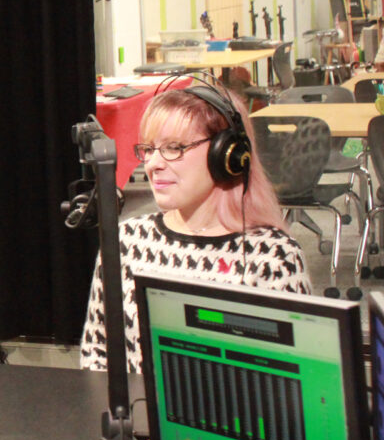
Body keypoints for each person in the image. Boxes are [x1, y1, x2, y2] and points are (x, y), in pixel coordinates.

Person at [80, 82, 312, 373]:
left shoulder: (272, 257)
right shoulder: (127, 240)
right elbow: (96, 355)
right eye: (148, 149)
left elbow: (293, 380)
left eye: (173, 148)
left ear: (225, 154)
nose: (153, 164)